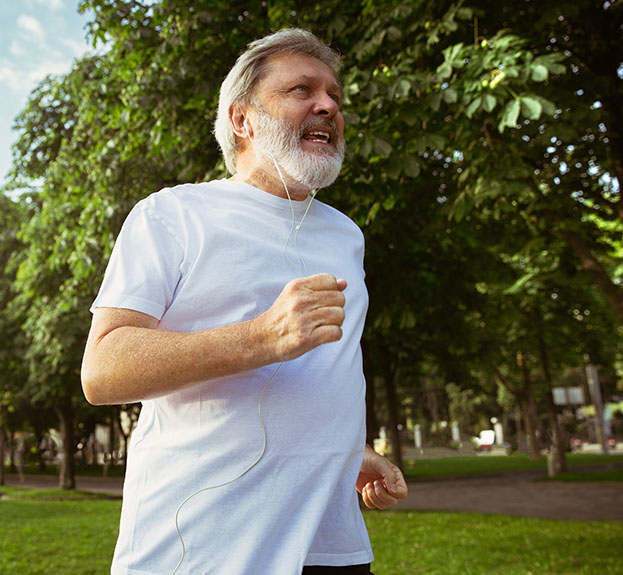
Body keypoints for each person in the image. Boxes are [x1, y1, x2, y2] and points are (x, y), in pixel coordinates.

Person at [81, 28, 408, 575]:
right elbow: (103, 370)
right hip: (204, 549)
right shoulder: (172, 214)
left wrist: (346, 452)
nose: (328, 104)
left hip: (333, 546)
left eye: (334, 96)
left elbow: (328, 374)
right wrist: (262, 337)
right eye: (301, 90)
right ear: (242, 119)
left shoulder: (346, 235)